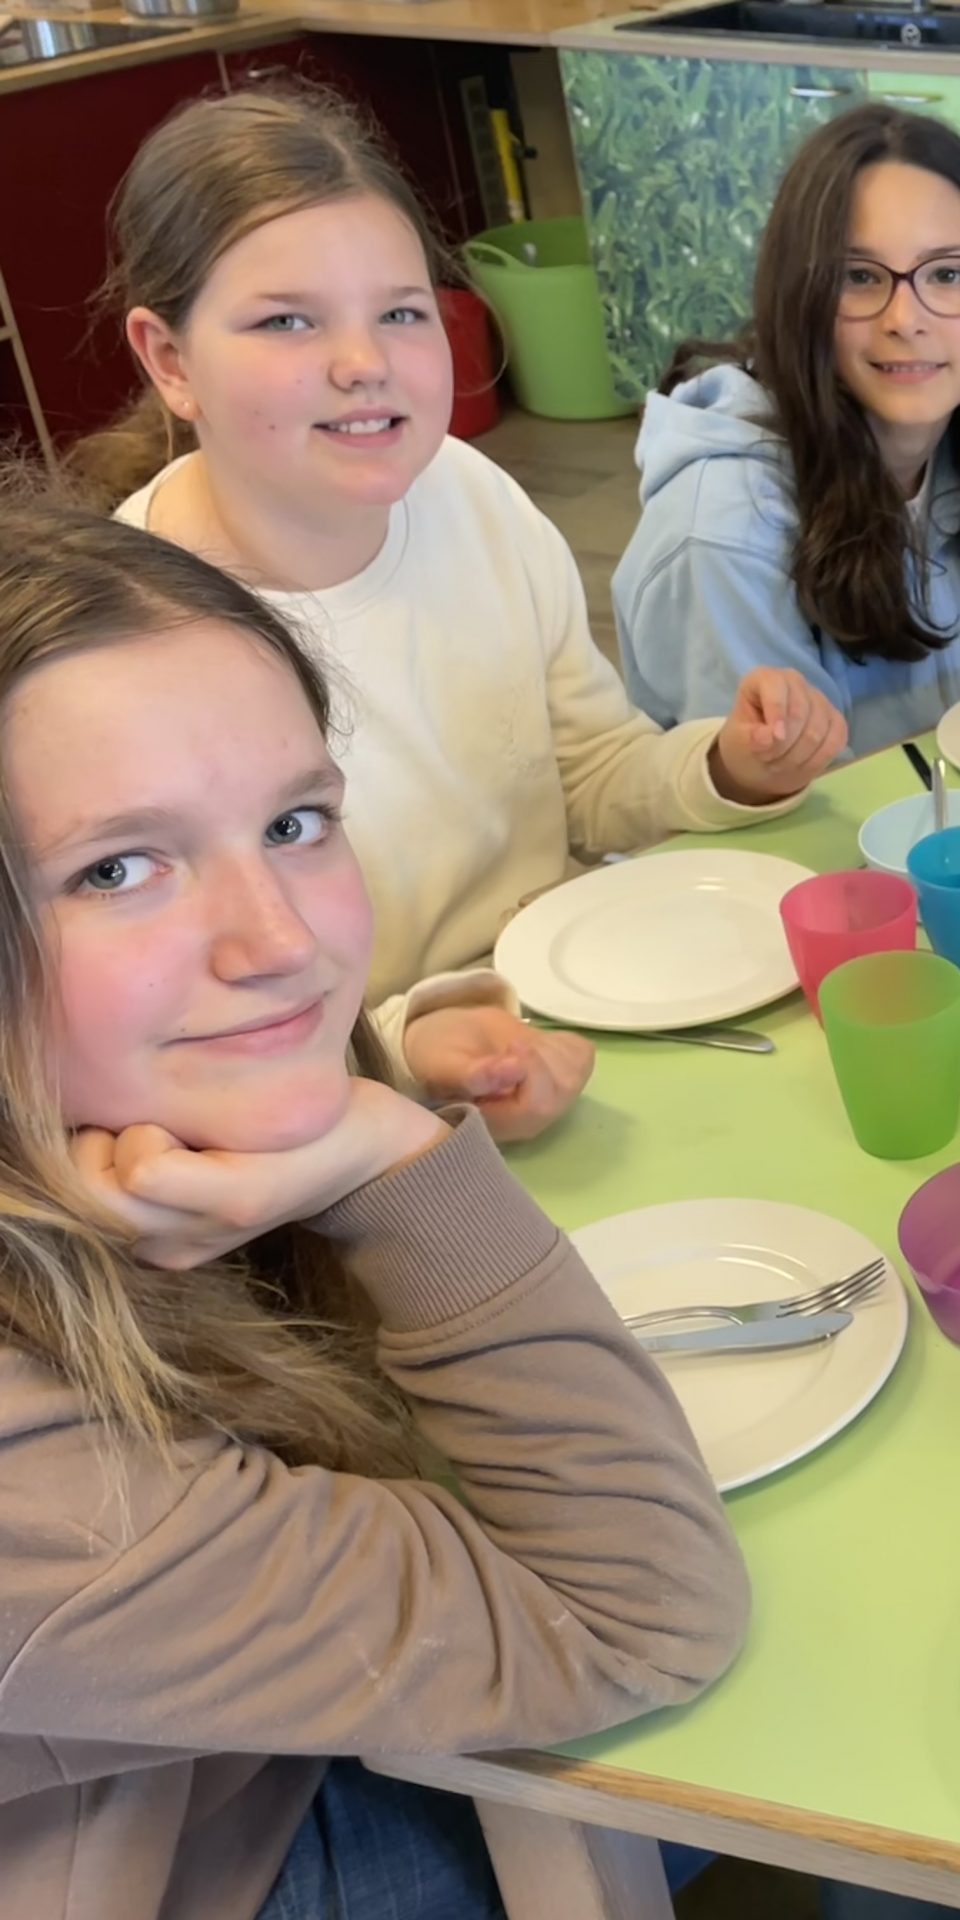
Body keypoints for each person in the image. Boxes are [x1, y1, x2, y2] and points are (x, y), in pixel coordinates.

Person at [0, 491, 749, 1920]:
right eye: (116, 867)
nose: (280, 942)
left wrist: (386, 1065)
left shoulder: (103, 1126)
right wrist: (394, 1157)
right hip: (227, 1847)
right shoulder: (37, 1487)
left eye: (294, 822)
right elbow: (641, 1617)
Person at [71, 86, 845, 1143]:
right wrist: (411, 1044)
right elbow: (173, 1033)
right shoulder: (129, 645)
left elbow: (589, 773)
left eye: (400, 312)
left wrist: (725, 766)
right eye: (287, 320)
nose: (364, 363)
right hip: (346, 1119)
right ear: (170, 361)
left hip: (573, 1019)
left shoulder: (473, 496)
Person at [616, 105, 960, 758]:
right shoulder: (724, 530)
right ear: (799, 298)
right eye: (858, 278)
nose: (906, 319)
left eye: (948, 274)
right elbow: (787, 798)